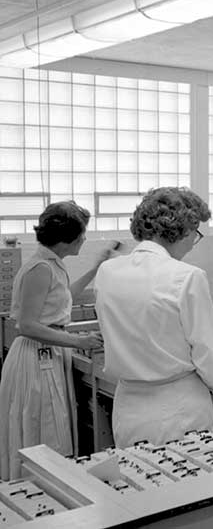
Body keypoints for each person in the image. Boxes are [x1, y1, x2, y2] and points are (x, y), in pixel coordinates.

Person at [94, 187, 213, 447]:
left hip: (128, 407)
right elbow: (206, 352)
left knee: (137, 480)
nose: (193, 242)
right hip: (177, 408)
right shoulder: (187, 276)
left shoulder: (108, 271)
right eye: (196, 233)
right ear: (184, 229)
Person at [0, 202, 114, 480]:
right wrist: (77, 342)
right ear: (67, 237)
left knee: (52, 425)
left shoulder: (52, 264)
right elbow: (26, 325)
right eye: (82, 234)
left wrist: (97, 267)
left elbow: (65, 297)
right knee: (43, 428)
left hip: (49, 352)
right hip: (35, 357)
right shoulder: (40, 268)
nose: (84, 239)